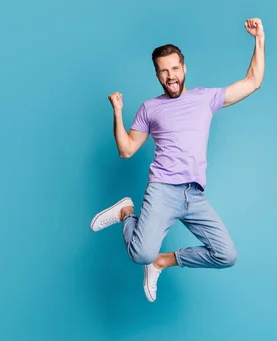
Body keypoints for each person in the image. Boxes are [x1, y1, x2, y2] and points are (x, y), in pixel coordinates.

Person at [90, 18, 265, 302]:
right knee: (139, 254)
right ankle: (125, 212)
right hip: (162, 190)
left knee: (226, 255)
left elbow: (253, 82)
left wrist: (259, 39)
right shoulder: (150, 108)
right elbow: (126, 150)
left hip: (194, 195)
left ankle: (161, 262)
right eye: (163, 71)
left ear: (184, 68)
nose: (170, 75)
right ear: (157, 75)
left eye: (174, 68)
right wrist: (118, 111)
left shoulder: (205, 98)